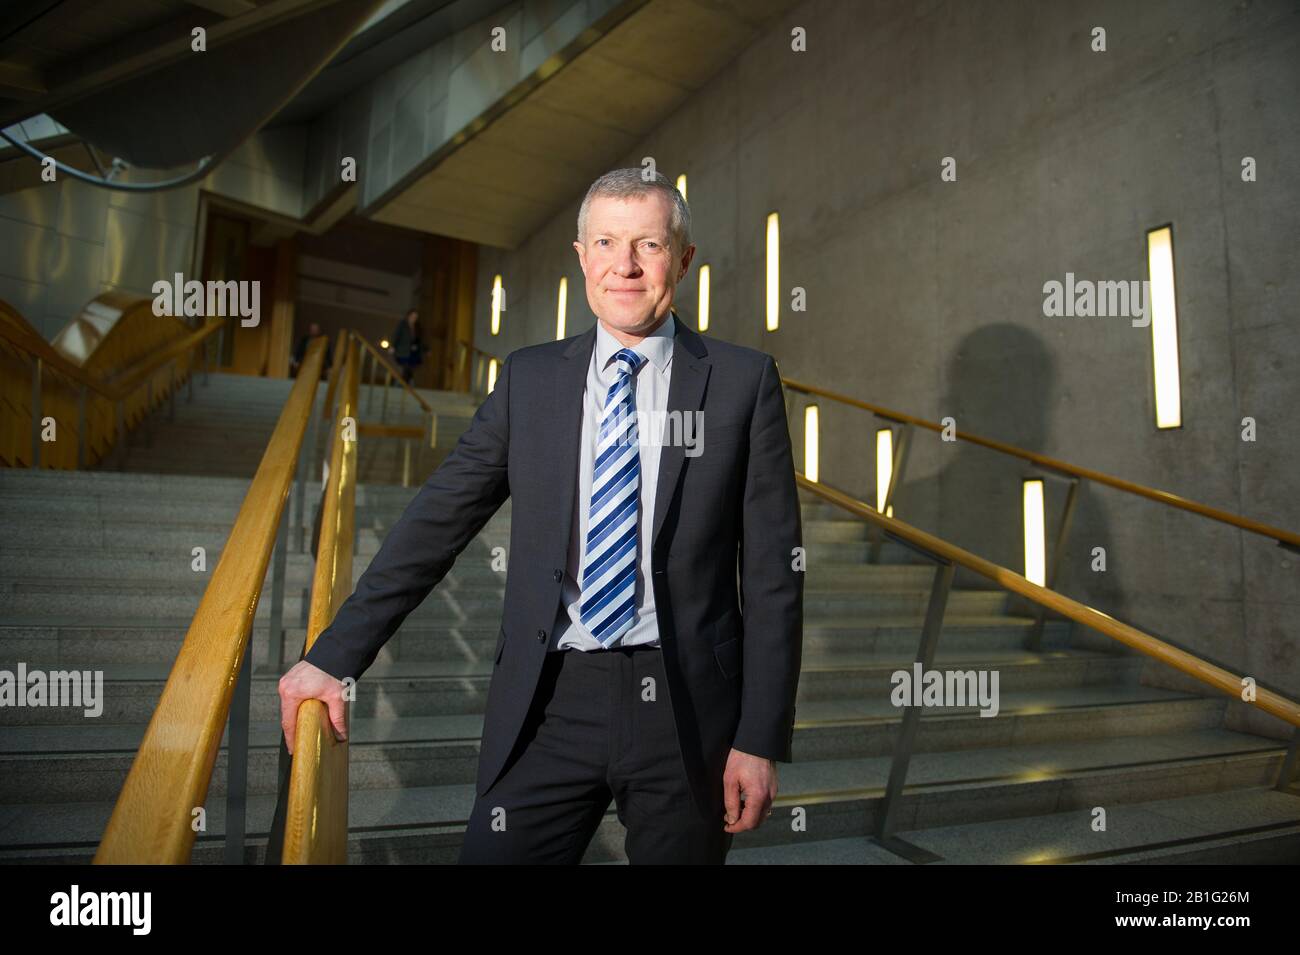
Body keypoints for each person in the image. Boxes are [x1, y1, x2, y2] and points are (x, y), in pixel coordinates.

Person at [277, 168, 803, 864]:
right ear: (581, 255)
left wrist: (760, 735)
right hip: (550, 699)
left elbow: (772, 576)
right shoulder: (530, 379)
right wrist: (334, 655)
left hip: (686, 711)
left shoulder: (742, 382)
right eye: (607, 242)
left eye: (648, 244)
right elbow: (438, 519)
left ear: (683, 258)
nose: (625, 265)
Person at [387, 308, 423, 384]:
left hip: (412, 352)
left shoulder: (416, 327)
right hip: (402, 350)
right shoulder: (402, 325)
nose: (414, 319)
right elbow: (396, 335)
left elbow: (418, 339)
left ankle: (406, 383)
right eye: (413, 317)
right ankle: (400, 383)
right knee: (403, 368)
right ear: (408, 316)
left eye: (416, 317)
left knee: (409, 368)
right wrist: (392, 346)